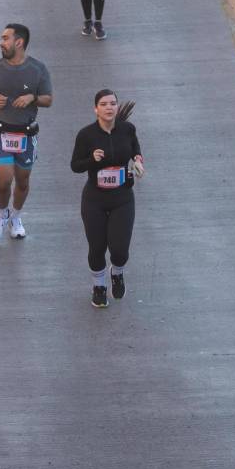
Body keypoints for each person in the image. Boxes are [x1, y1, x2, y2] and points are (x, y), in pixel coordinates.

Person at [70, 90, 144, 307]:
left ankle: (117, 272)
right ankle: (99, 286)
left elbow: (135, 149)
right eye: (104, 104)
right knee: (97, 247)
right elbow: (75, 166)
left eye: (113, 103)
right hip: (95, 199)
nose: (109, 107)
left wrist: (138, 161)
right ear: (96, 109)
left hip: (122, 198)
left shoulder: (127, 130)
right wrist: (92, 160)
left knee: (120, 250)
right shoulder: (86, 135)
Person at [0, 23, 52, 239]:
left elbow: (48, 99)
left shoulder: (38, 69)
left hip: (27, 134)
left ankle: (16, 216)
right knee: (4, 180)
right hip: (1, 132)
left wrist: (32, 97)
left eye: (5, 38)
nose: (0, 42)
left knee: (22, 181)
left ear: (19, 42)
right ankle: (2, 214)